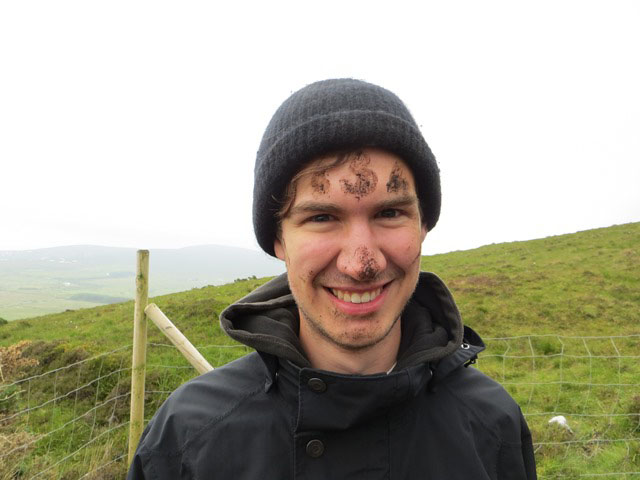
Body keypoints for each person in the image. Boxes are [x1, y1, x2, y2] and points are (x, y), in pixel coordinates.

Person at [127, 78, 537, 479]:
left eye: (389, 213)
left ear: (423, 225)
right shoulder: (186, 441)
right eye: (322, 217)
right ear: (278, 239)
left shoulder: (492, 427)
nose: (361, 264)